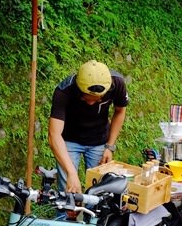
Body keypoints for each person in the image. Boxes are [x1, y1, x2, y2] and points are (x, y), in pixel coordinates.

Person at [48, 60, 129, 194]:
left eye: (97, 99)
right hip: (69, 141)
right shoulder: (64, 91)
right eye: (86, 98)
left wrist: (110, 146)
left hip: (99, 140)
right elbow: (54, 135)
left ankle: (92, 215)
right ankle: (65, 214)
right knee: (67, 192)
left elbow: (120, 111)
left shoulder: (117, 84)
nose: (91, 103)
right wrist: (71, 173)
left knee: (99, 191)